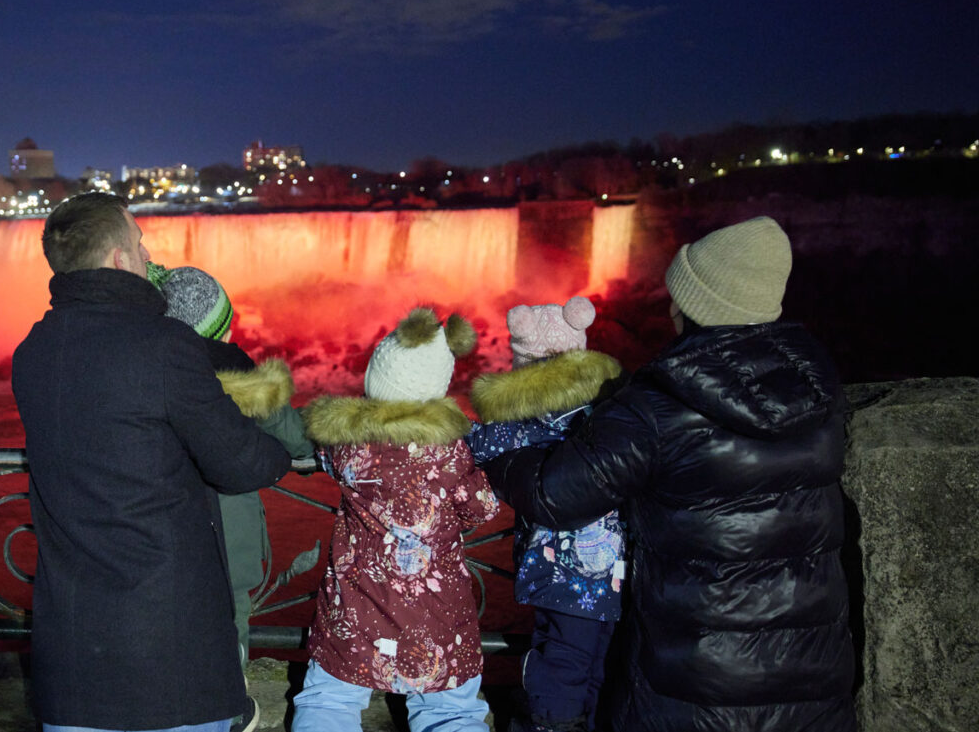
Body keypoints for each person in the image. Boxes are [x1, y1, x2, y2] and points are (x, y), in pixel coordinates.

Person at [480, 216, 855, 732]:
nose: (669, 304)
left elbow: (554, 493)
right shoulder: (817, 388)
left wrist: (499, 445)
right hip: (812, 673)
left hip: (696, 680)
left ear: (697, 305)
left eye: (679, 293)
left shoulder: (662, 405)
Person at [11, 192, 293, 732]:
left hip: (71, 650)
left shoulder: (34, 349)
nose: (147, 255)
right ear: (118, 259)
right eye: (139, 244)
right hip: (168, 648)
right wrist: (285, 445)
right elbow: (242, 463)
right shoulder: (163, 345)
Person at [293, 307, 501, 732]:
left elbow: (318, 455)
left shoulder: (348, 445)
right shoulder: (449, 453)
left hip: (355, 607)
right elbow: (482, 508)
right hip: (437, 613)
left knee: (328, 699)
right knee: (452, 713)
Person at [154, 263, 315, 714]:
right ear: (222, 327)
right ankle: (229, 706)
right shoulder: (243, 381)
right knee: (230, 617)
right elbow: (297, 438)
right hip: (227, 529)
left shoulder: (149, 372)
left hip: (158, 528)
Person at [467, 296, 624, 732]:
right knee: (595, 661)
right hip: (613, 571)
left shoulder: (527, 417)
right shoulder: (607, 409)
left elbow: (477, 444)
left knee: (559, 662)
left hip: (559, 575)